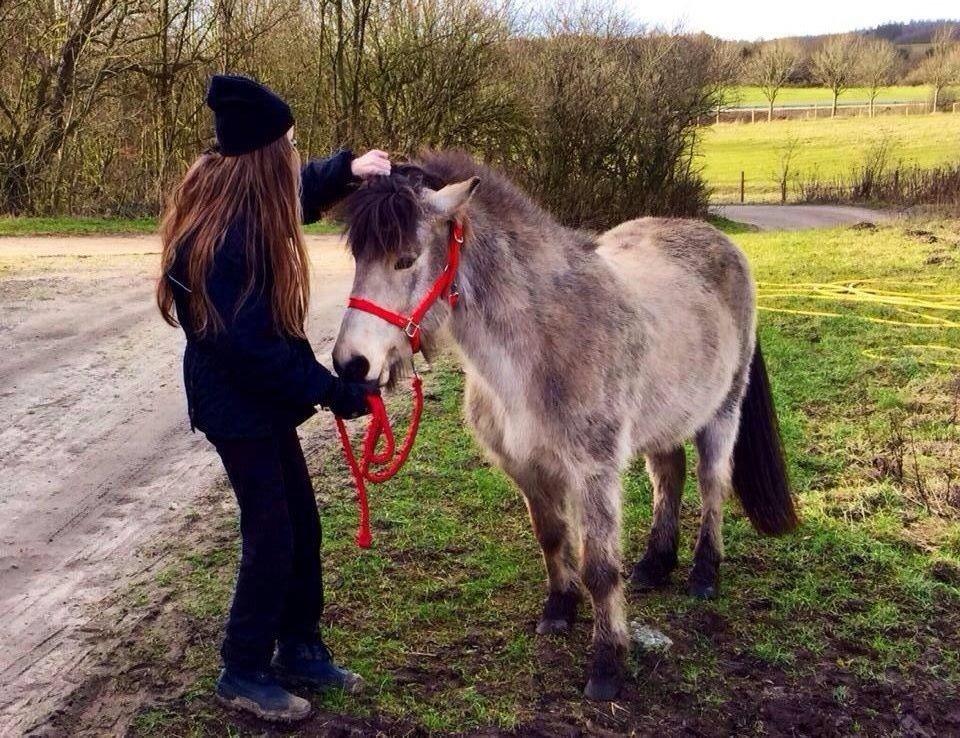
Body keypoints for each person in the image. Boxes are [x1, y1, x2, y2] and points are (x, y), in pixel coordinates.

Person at [156, 74, 390, 723]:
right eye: (289, 143)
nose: (296, 152)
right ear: (263, 157)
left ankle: (300, 648)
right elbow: (253, 354)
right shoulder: (224, 240)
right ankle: (244, 667)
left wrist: (351, 168)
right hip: (237, 406)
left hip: (254, 397)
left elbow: (302, 188)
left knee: (300, 526)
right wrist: (336, 394)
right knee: (272, 533)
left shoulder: (248, 194)